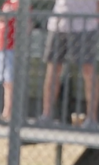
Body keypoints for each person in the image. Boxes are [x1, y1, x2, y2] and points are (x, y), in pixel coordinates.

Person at [40, 0, 99, 129]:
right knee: (53, 69)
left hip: (86, 24)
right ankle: (47, 116)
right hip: (59, 23)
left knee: (89, 71)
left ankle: (92, 119)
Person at [0, 0, 19, 122]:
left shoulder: (20, 4)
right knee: (5, 82)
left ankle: (9, 112)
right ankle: (6, 111)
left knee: (10, 82)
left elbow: (25, 24)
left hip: (11, 47)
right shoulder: (6, 3)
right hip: (1, 47)